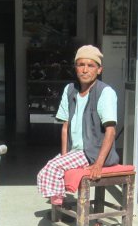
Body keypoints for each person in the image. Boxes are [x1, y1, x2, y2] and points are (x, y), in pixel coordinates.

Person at [37, 45, 120, 205]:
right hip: (75, 152)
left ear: (99, 70)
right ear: (75, 68)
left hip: (92, 152)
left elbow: (110, 131)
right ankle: (61, 207)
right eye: (81, 65)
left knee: (53, 168)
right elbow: (65, 127)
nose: (85, 70)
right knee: (45, 171)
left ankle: (61, 207)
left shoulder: (105, 92)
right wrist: (64, 156)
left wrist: (98, 164)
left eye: (90, 65)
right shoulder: (70, 90)